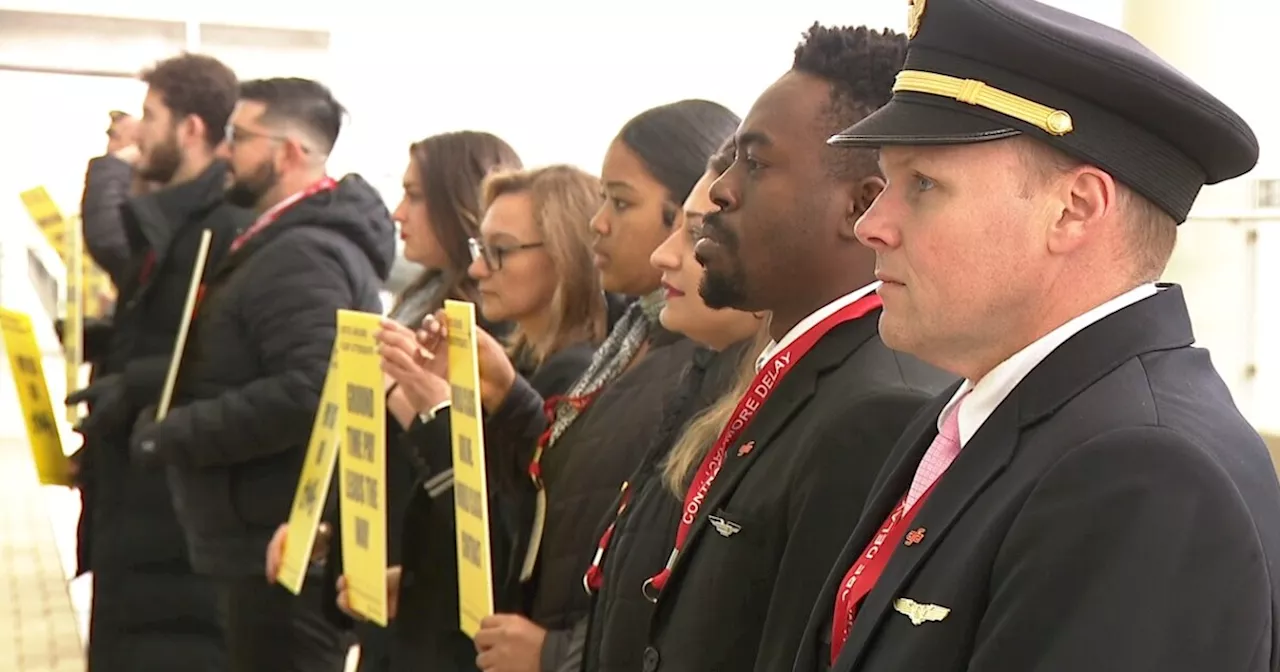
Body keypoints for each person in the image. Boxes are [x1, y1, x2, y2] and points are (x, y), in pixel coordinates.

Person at [788, 1, 1280, 671]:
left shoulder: (1145, 478)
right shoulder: (994, 413)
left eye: (924, 184)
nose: (873, 223)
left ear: (1074, 210)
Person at [641, 24, 956, 672]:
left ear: (860, 206)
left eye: (753, 163)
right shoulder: (794, 368)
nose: (721, 191)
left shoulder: (879, 406)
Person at [129, 77, 397, 672]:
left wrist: (174, 432)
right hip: (259, 531)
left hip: (278, 540)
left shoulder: (301, 252)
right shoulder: (281, 239)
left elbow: (312, 387)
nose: (225, 151)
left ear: (288, 152)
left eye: (239, 137)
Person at [265, 130, 525, 672]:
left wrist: (420, 409)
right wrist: (331, 532)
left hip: (433, 613)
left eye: (415, 195)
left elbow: (474, 490)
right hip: (386, 595)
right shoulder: (418, 301)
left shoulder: (484, 333)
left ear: (462, 203)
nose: (398, 212)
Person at [346, 163, 614, 671]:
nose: (476, 270)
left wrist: (431, 415)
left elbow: (518, 535)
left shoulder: (576, 379)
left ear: (565, 253)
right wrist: (416, 576)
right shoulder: (522, 364)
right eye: (477, 249)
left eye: (500, 251)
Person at [65, 53, 248, 672]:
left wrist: (132, 386)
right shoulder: (182, 220)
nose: (139, 131)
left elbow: (215, 360)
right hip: (140, 511)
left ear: (190, 128)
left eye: (150, 116)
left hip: (170, 522)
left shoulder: (215, 228)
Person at [580, 142, 765, 672]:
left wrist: (553, 653)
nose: (665, 254)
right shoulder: (699, 376)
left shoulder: (745, 402)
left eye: (698, 233)